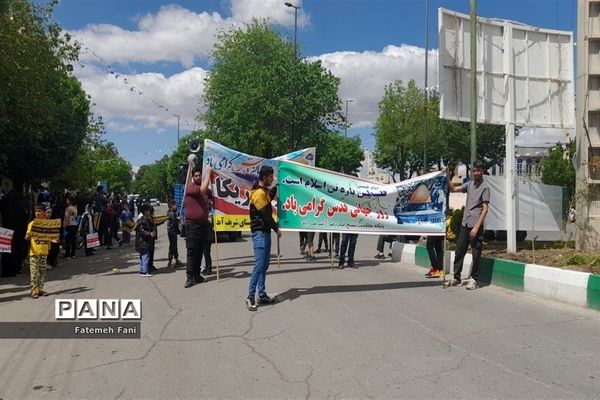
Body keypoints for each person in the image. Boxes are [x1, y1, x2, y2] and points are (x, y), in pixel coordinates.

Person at [446, 161, 490, 290]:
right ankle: (456, 277)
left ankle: (474, 279)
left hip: (475, 225)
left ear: (482, 171)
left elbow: (485, 209)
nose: (476, 173)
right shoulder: (469, 184)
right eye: (474, 170)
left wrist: (476, 227)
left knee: (476, 254)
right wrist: (448, 176)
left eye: (478, 170)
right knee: (459, 251)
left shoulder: (485, 187)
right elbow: (454, 189)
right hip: (465, 223)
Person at [246, 165, 280, 311]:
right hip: (260, 233)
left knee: (264, 266)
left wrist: (276, 187)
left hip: (264, 233)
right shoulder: (258, 193)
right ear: (264, 177)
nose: (272, 179)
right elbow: (266, 215)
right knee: (259, 266)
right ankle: (250, 296)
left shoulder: (263, 192)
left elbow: (269, 198)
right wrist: (276, 229)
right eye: (271, 177)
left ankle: (262, 295)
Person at [183, 166, 212, 288]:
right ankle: (189, 277)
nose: (198, 177)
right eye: (196, 175)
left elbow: (214, 194)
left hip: (203, 224)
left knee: (200, 250)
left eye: (200, 175)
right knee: (192, 251)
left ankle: (197, 275)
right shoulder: (190, 187)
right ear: (192, 177)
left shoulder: (204, 189)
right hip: (192, 225)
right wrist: (209, 173)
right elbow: (202, 190)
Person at [25, 205, 51, 298]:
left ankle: (40, 289)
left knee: (42, 271)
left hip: (44, 251)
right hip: (34, 252)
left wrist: (55, 240)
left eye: (39, 211)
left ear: (44, 212)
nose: (37, 213)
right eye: (36, 211)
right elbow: (27, 237)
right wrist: (29, 235)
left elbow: (52, 236)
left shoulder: (48, 224)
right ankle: (33, 291)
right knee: (34, 272)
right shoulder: (32, 224)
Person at [135, 204, 155, 277]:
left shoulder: (143, 219)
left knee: (142, 256)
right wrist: (150, 234)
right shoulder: (143, 220)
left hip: (142, 242)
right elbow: (142, 231)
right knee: (145, 257)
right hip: (143, 242)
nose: (150, 212)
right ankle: (145, 271)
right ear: (146, 211)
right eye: (149, 211)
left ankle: (142, 270)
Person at [166, 201, 181, 268]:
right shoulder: (171, 213)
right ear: (171, 206)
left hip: (172, 232)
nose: (176, 206)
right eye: (175, 205)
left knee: (174, 246)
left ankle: (176, 259)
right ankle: (170, 261)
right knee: (172, 246)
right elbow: (174, 223)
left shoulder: (170, 212)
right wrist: (178, 220)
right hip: (172, 232)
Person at [201, 197, 214, 275]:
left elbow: (210, 224)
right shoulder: (207, 214)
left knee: (207, 253)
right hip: (205, 236)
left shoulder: (210, 215)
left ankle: (209, 268)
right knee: (205, 253)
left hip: (208, 237)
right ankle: (207, 267)